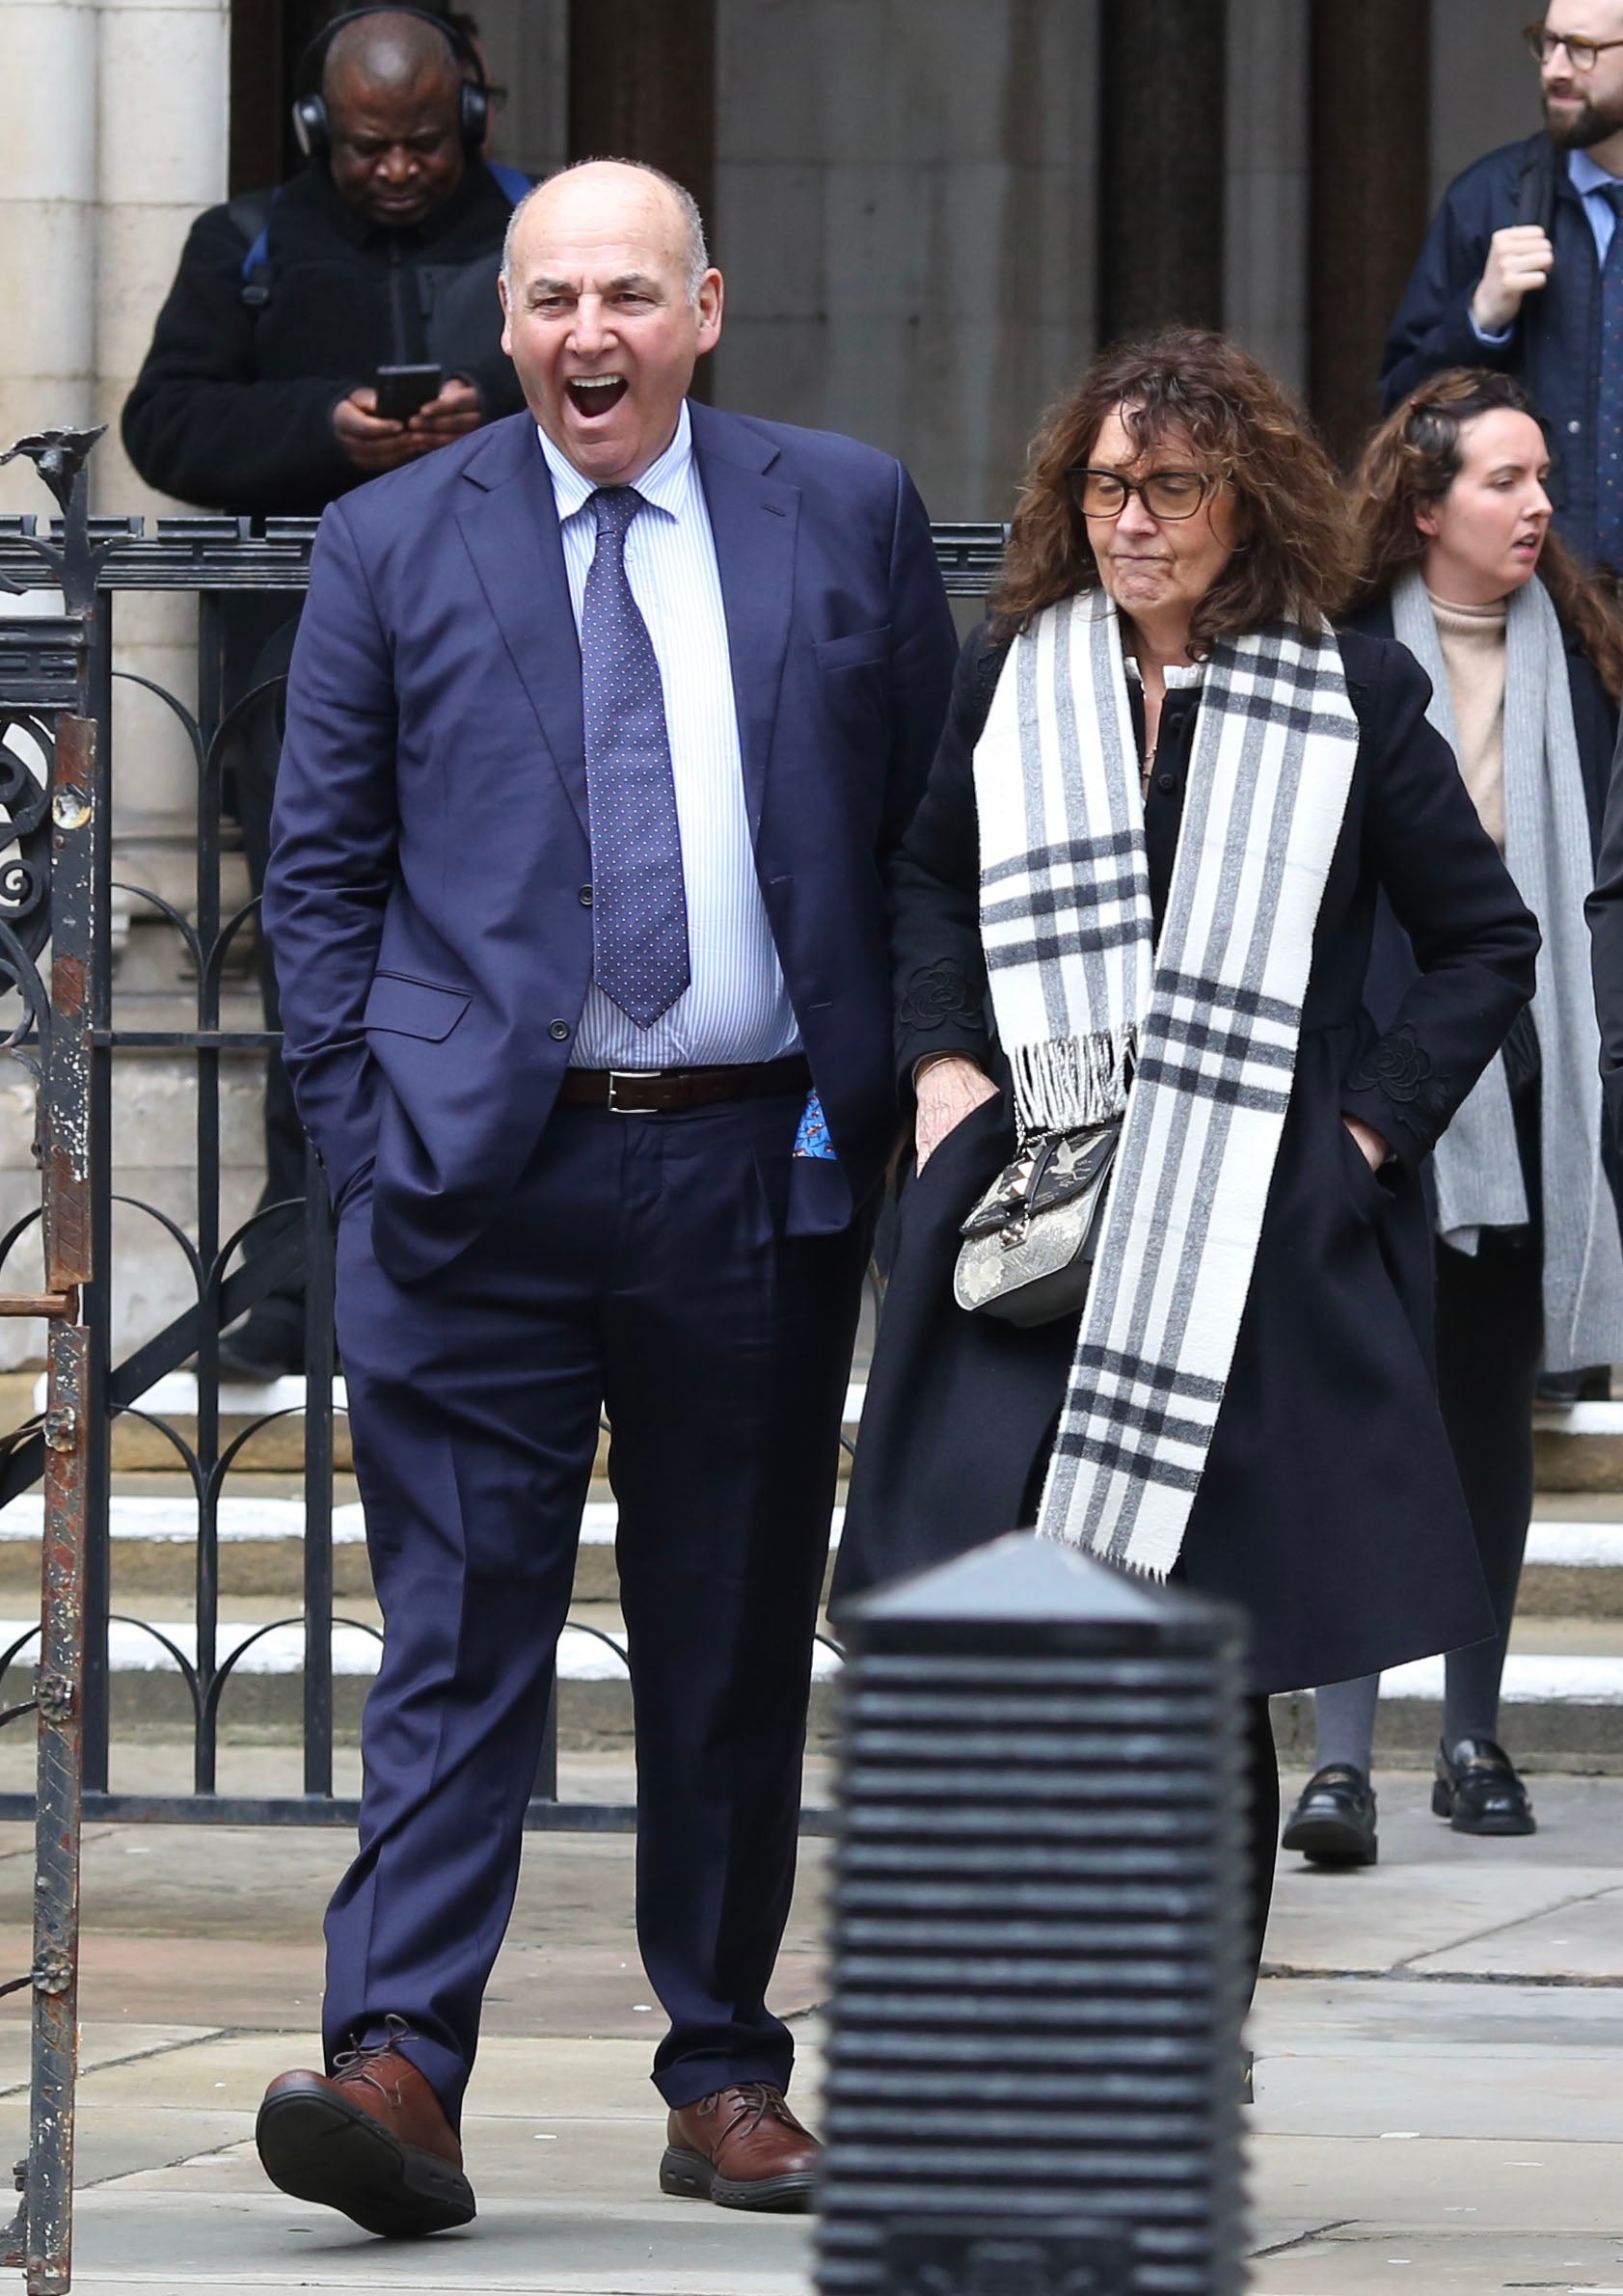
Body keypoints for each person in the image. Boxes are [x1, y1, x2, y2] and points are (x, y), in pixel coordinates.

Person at [254, 158, 958, 2237]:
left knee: (726, 1637)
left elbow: (925, 832)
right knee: (454, 1633)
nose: (589, 334)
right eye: (552, 296)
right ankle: (400, 2060)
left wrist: (916, 1096)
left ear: (706, 307)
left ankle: (725, 2069)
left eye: (629, 295)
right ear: (502, 320)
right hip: (477, 1181)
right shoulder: (393, 539)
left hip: (757, 1162)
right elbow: (317, 872)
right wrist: (367, 1149)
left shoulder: (839, 508)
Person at [835, 327, 1539, 2004]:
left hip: (1246, 1257)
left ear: (1246, 501)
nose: (1130, 523)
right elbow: (927, 886)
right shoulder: (1014, 678)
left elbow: (1480, 945)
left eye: (1170, 488)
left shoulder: (1345, 693)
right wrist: (940, 1062)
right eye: (1104, 488)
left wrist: (1358, 1131)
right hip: (1034, 1235)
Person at [122, 3, 531, 1380]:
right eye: (368, 148)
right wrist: (327, 432)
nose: (401, 171)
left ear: (470, 116)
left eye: (422, 142)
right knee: (320, 966)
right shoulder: (243, 247)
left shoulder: (544, 233)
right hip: (297, 668)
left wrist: (493, 411)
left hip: (508, 652)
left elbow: (637, 389)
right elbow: (165, 423)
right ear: (318, 132)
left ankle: (484, 1259)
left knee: (509, 945)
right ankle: (306, 1268)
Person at [1282, 371, 1623, 1867]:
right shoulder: (1341, 661)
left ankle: (1469, 1734)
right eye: (1501, 479)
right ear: (1423, 508)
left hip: (1534, 1076)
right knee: (1364, 1409)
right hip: (1377, 1082)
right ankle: (1339, 1762)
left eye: (1538, 475)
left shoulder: (1588, 665)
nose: (1534, 501)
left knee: (1485, 1420)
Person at [1382, 4, 1623, 570]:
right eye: (1548, 43)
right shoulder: (1491, 199)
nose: (1555, 69)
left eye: (1582, 49)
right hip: (1541, 591)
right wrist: (1481, 317)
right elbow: (1402, 416)